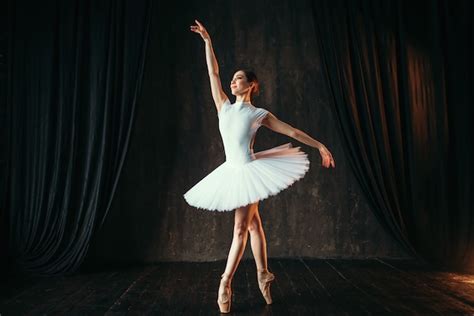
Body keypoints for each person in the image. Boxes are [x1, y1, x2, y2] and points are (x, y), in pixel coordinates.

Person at [186, 19, 335, 314]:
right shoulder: (223, 106)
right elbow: (213, 72)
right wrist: (207, 42)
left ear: (252, 85)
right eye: (233, 78)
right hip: (232, 170)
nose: (232, 81)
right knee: (254, 225)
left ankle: (225, 282)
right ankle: (263, 274)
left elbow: (291, 132)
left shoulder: (259, 114)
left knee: (241, 228)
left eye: (239, 78)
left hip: (250, 171)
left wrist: (319, 145)